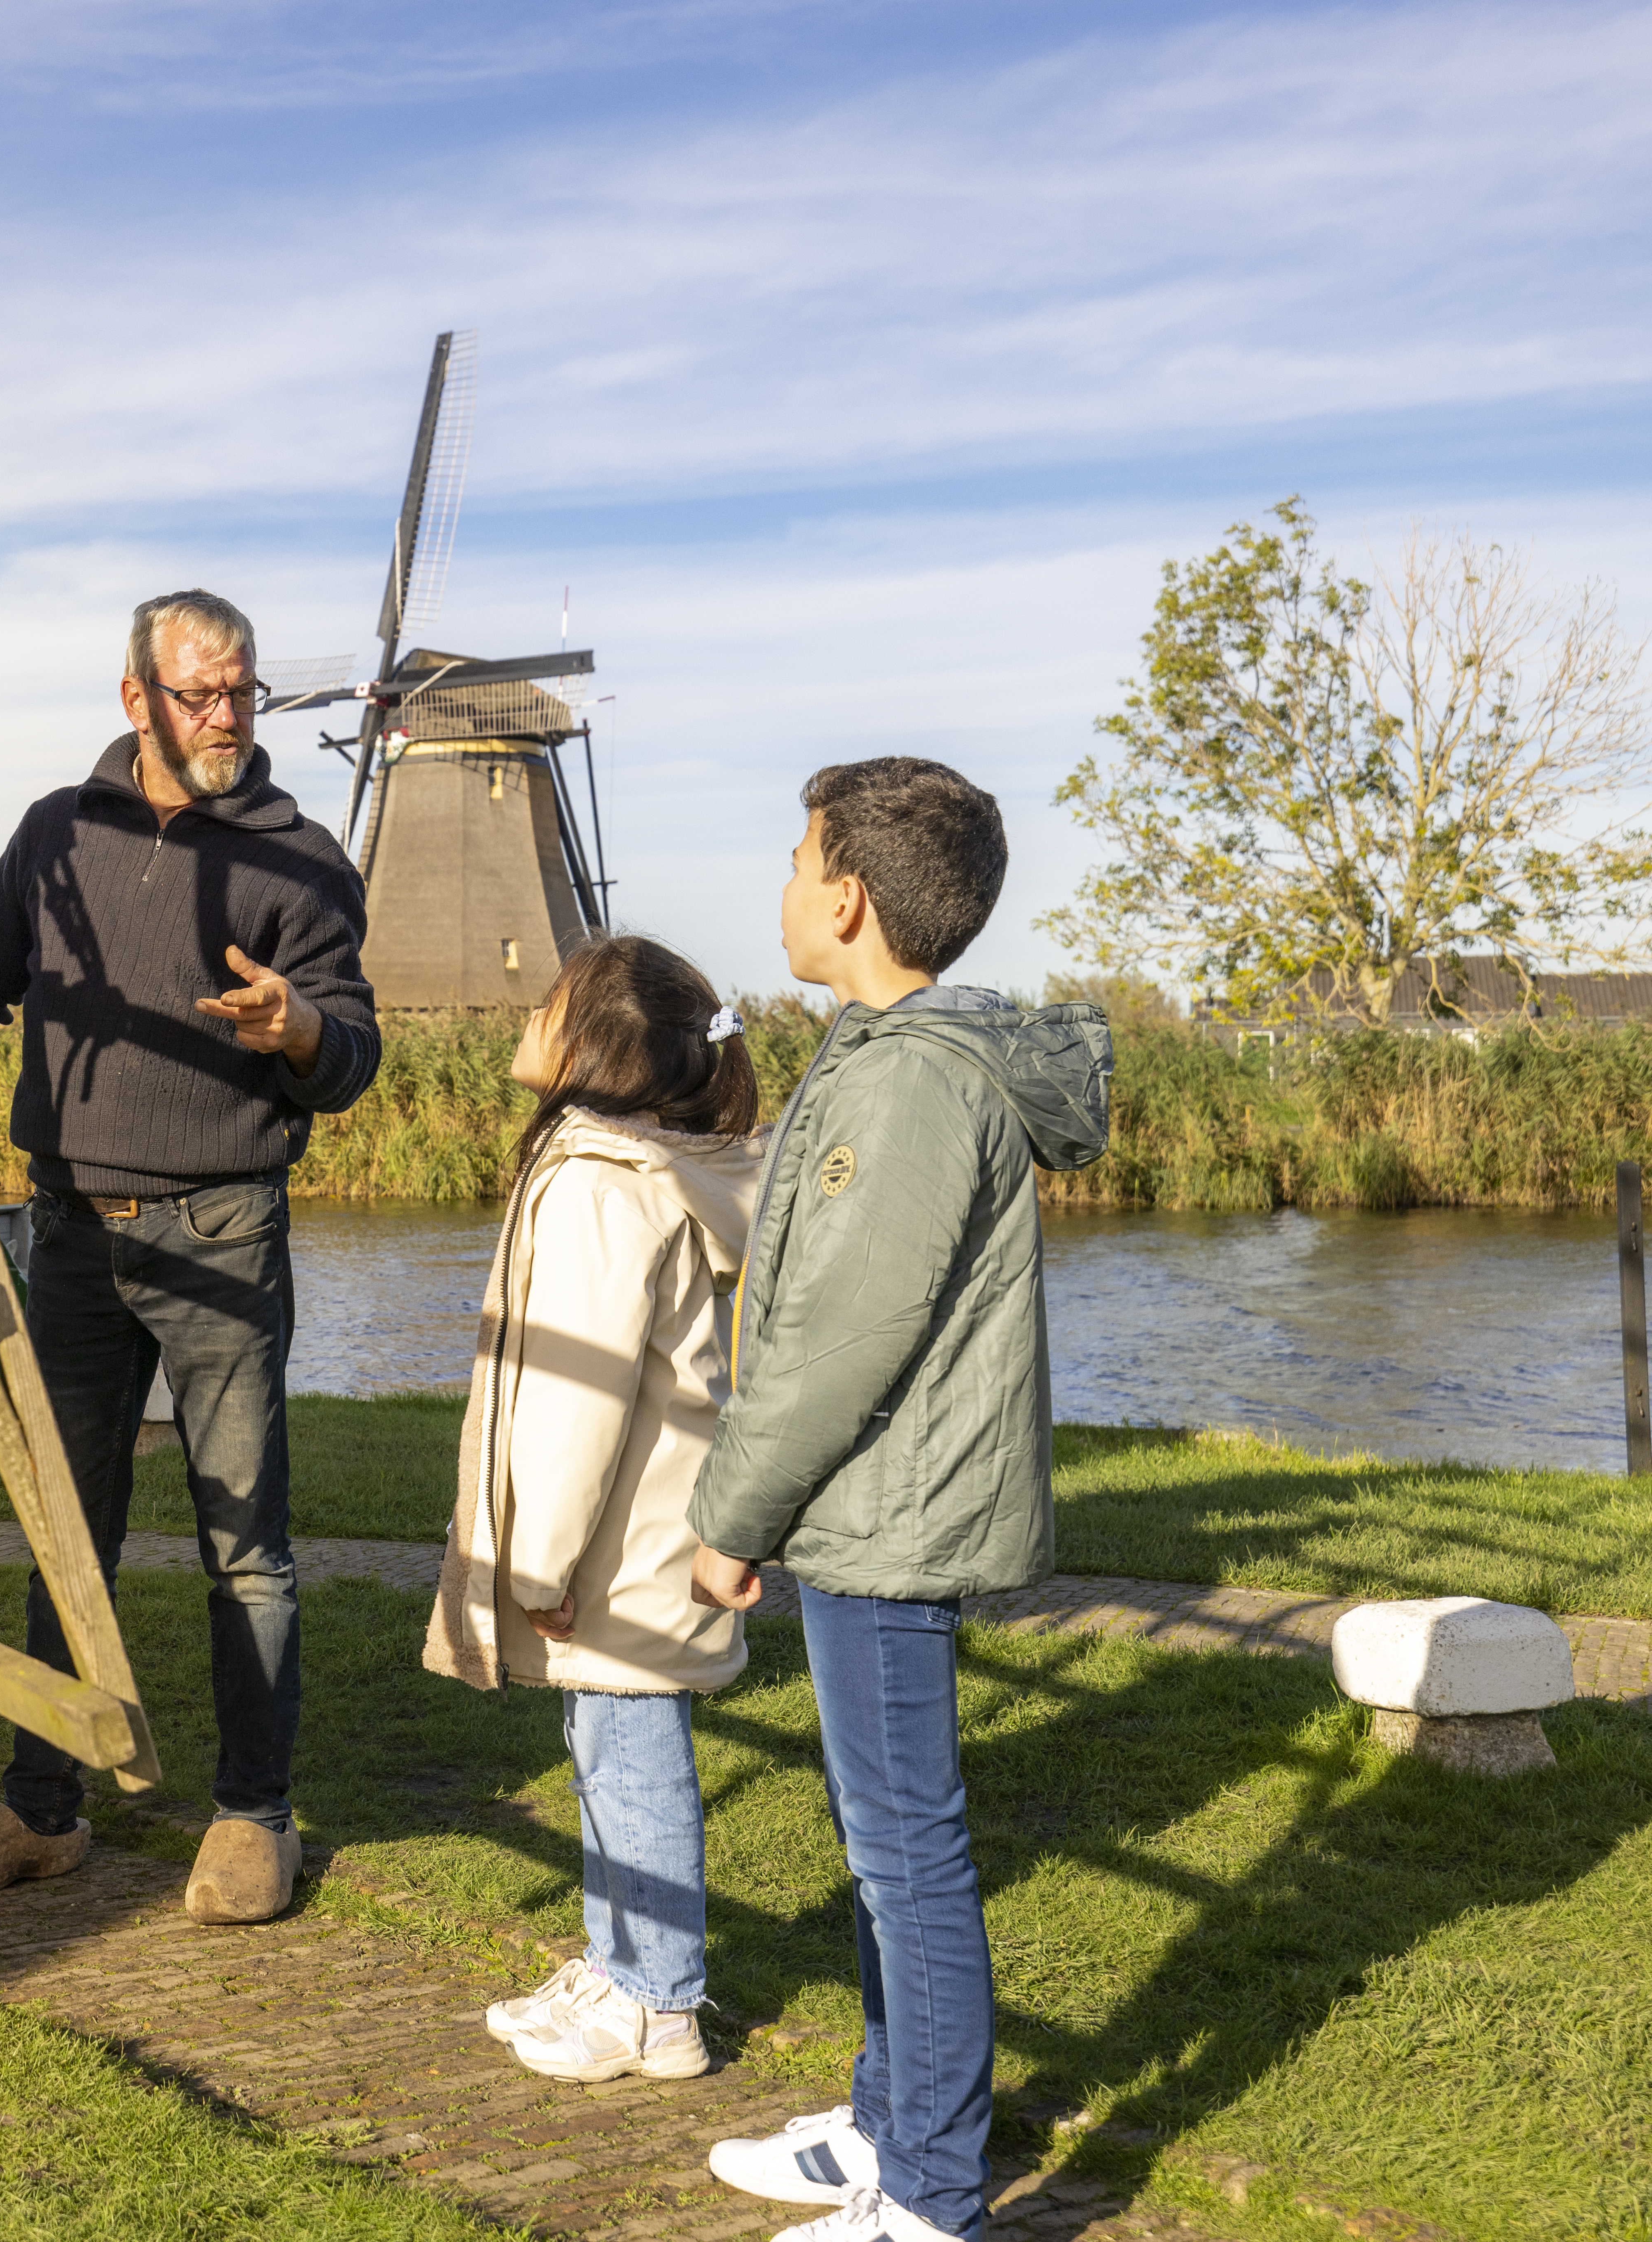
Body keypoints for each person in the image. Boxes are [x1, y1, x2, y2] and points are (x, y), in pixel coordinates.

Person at [0, 588, 377, 1926]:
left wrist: (295, 1031)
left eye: (243, 692)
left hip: (223, 1231)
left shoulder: (301, 858)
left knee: (245, 1543)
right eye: (200, 694)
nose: (227, 717)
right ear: (137, 698)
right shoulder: (58, 833)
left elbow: (351, 1055)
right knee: (64, 1530)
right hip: (70, 1236)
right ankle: (44, 1813)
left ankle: (254, 1817)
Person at [688, 760, 1111, 2242]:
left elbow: (839, 1339)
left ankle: (929, 2191)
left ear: (851, 897)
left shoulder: (912, 1081)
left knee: (907, 1851)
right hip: (874, 1503)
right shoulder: (885, 1053)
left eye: (800, 861)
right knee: (884, 1840)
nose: (786, 887)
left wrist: (729, 1518)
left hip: (889, 1511)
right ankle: (884, 2127)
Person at [422, 934, 764, 2084]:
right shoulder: (633, 1165)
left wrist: (538, 1564)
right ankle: (618, 1963)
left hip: (619, 1542)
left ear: (595, 1044)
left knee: (629, 1756)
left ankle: (659, 2004)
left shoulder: (600, 1187)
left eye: (550, 1001)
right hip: (641, 1529)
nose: (529, 1014)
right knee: (606, 1747)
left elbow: (583, 1396)